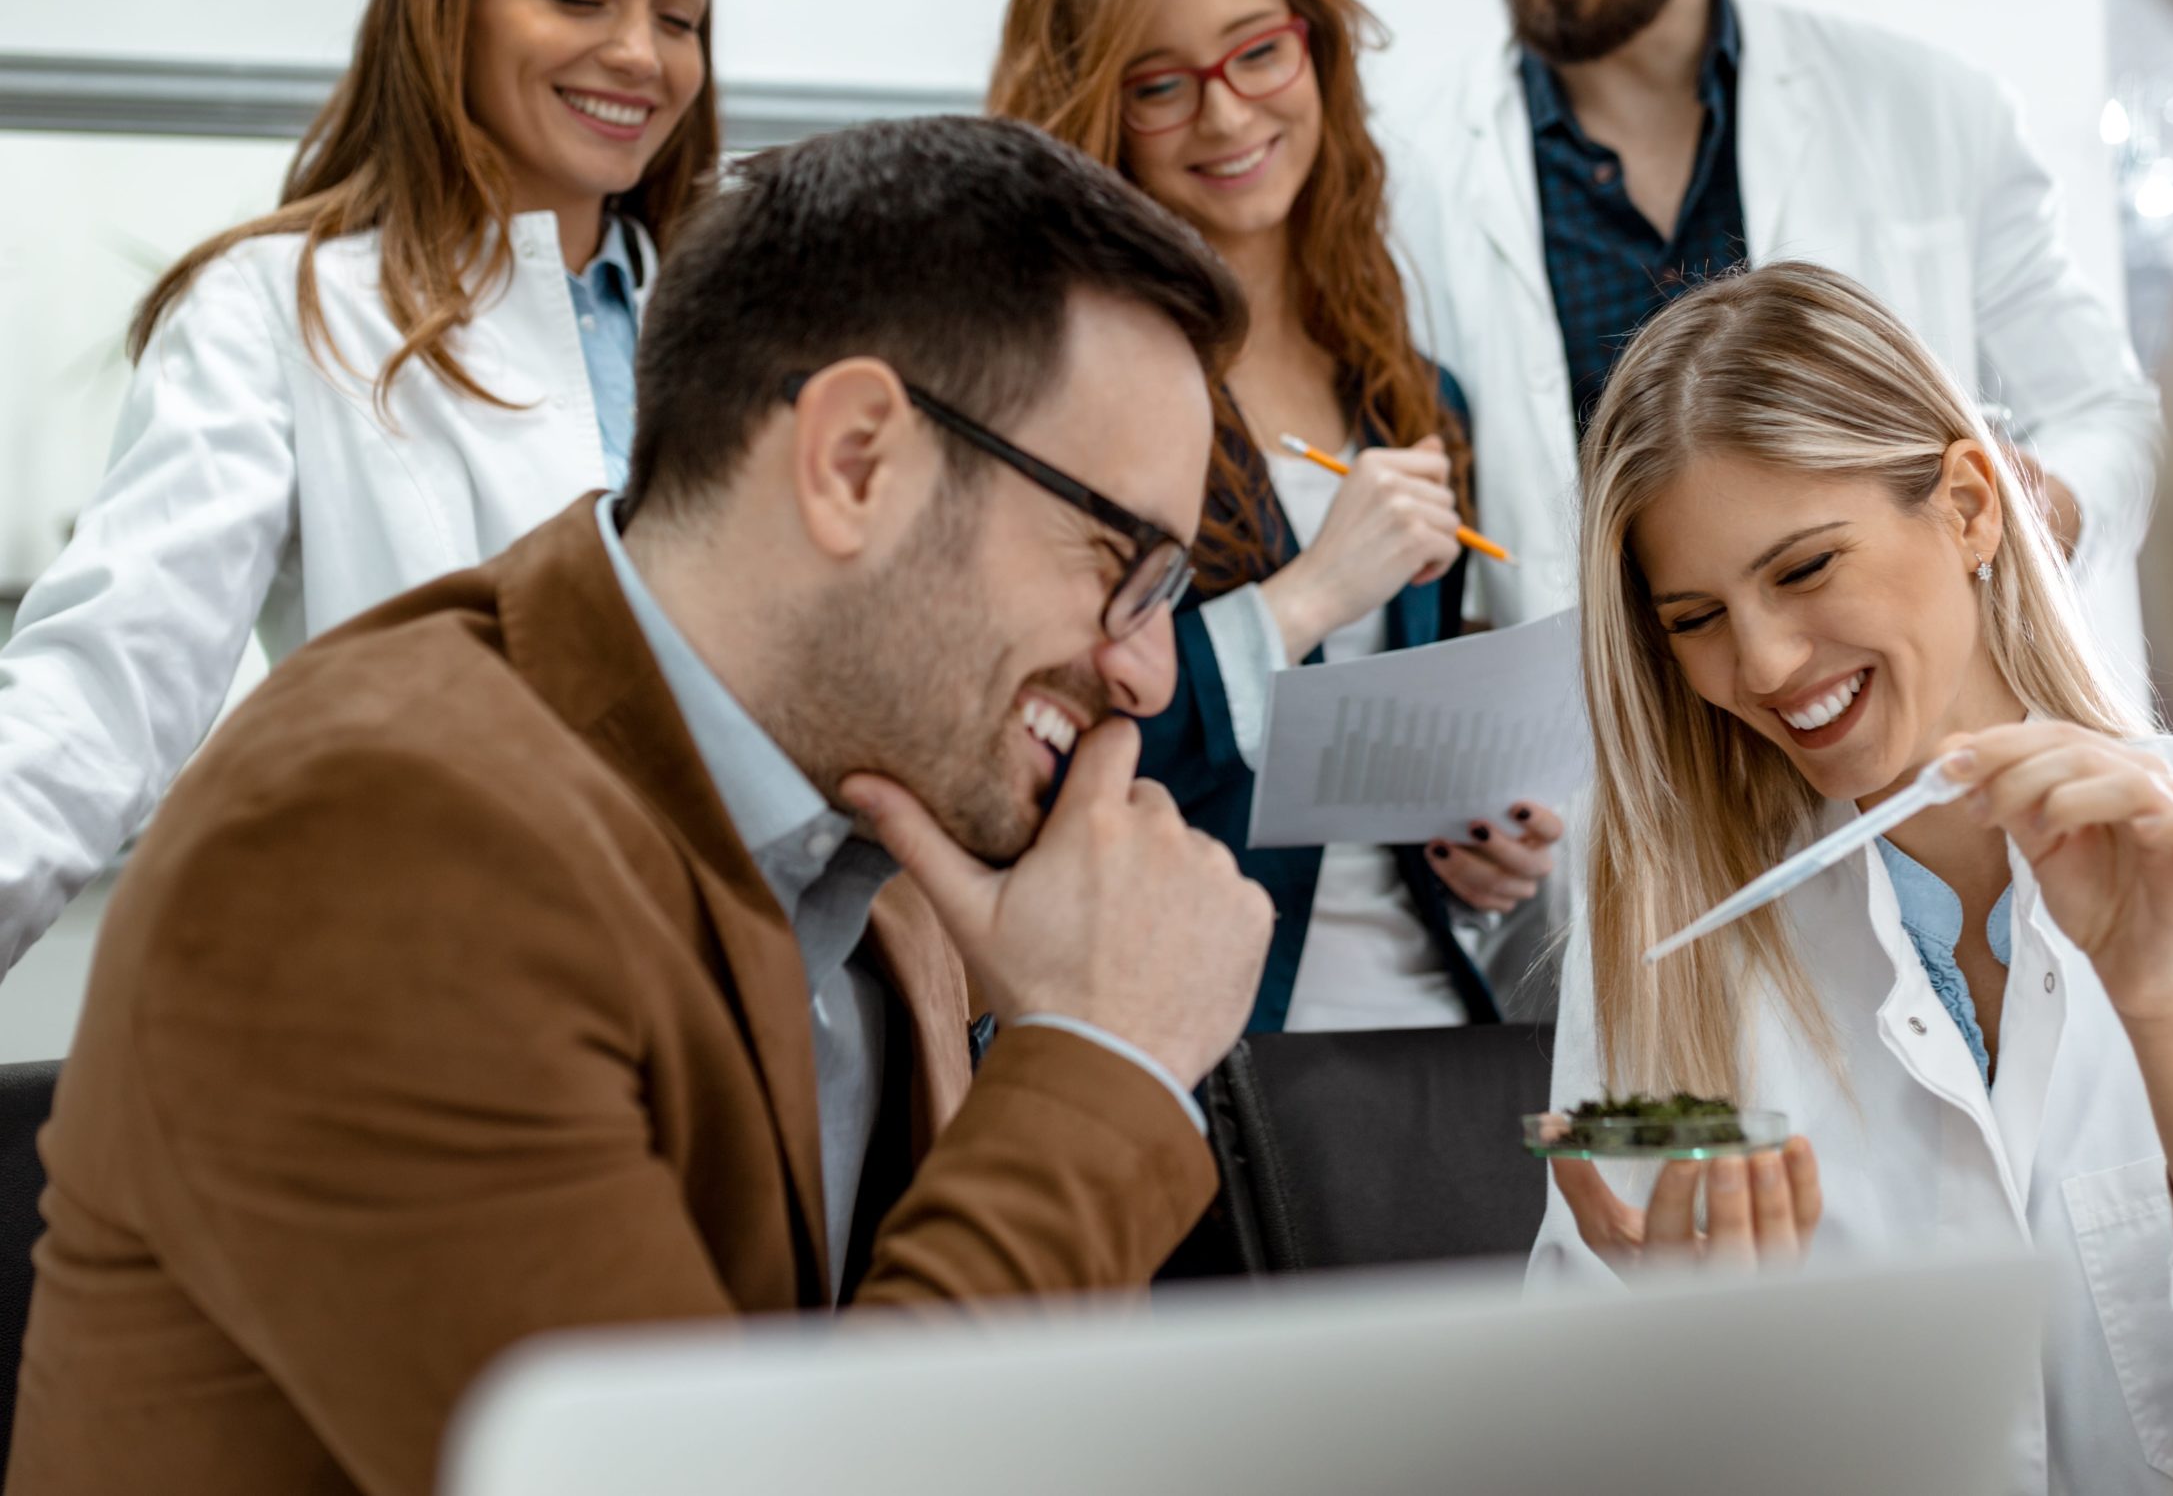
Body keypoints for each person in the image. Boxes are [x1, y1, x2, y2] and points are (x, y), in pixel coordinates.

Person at [5, 117, 1277, 1496]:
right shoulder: (377, 837)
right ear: (855, 459)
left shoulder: (881, 853)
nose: (1148, 671)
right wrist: (1101, 1060)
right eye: (1118, 560)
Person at [1533, 261, 2173, 1494]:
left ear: (1966, 507)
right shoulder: (1670, 939)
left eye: (1802, 570)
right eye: (1695, 619)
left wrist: (2162, 1003)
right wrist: (1703, 1368)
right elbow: (1582, 1437)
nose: (1767, 661)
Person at [0, 0, 722, 971]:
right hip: (457, 1004)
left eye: (680, 18)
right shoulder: (282, 311)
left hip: (762, 1044)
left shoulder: (747, 328)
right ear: (452, 10)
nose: (642, 53)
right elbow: (102, 696)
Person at [1394, 0, 2163, 694]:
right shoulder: (1410, 180)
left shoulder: (1929, 113)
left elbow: (2112, 418)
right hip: (1609, 790)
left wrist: (2028, 512)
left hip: (1911, 755)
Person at [989, 0, 1562, 1031]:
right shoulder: (1048, 393)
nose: (1228, 112)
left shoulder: (1412, 392)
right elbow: (1019, 779)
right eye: (1159, 85)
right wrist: (1305, 598)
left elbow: (1359, 789)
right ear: (1097, 115)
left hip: (1424, 1045)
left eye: (1259, 51)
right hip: (1187, 1050)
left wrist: (1466, 851)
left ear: (1315, 48)